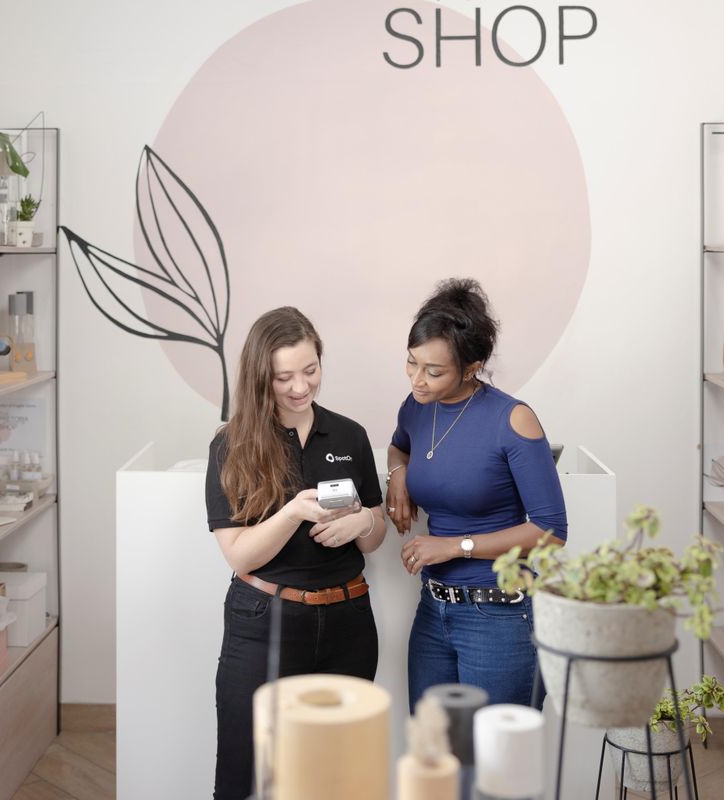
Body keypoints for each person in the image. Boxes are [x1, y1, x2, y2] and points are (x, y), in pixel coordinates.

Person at [205, 307, 386, 800]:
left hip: (348, 620)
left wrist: (365, 521)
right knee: (247, 775)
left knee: (340, 777)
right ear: (261, 375)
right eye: (284, 377)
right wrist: (293, 512)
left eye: (310, 371)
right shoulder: (232, 445)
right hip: (264, 622)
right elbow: (239, 557)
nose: (300, 387)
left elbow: (376, 532)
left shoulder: (349, 435)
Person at [386, 278, 567, 710]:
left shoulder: (513, 420)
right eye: (411, 363)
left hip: (500, 616)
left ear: (472, 367)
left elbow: (551, 530)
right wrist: (398, 474)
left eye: (434, 371)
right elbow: (399, 445)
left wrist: (455, 547)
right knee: (435, 760)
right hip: (433, 611)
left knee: (498, 767)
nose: (418, 379)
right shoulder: (415, 408)